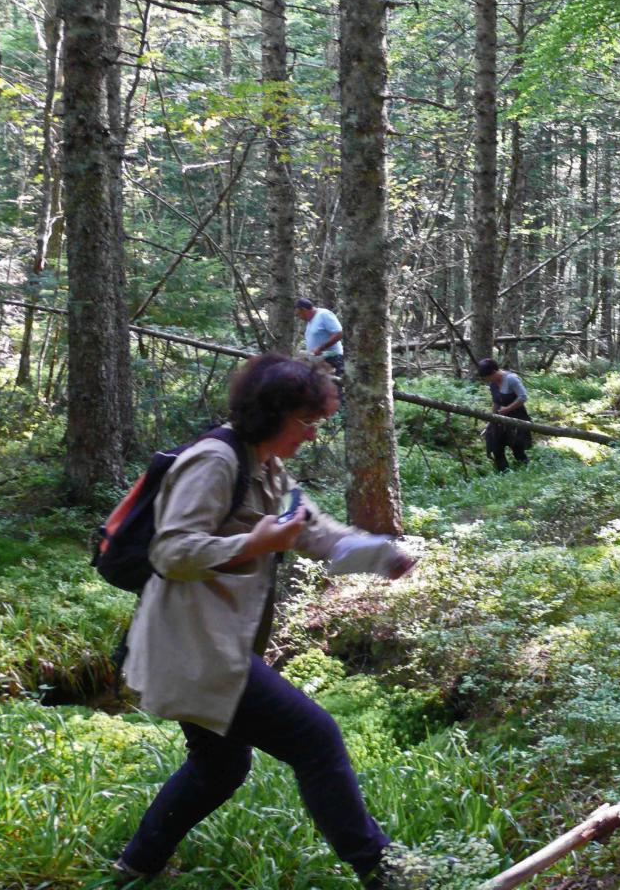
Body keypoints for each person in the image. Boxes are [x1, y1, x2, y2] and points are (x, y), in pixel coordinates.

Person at [115, 355, 419, 890]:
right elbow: (171, 551)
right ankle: (385, 870)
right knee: (316, 738)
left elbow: (309, 529)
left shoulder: (269, 469)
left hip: (217, 646)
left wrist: (381, 554)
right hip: (195, 649)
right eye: (307, 422)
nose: (311, 433)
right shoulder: (214, 462)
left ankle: (135, 865)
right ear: (274, 413)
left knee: (219, 769)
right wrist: (252, 544)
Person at [477, 358, 532, 471]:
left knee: (517, 447)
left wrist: (507, 408)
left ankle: (525, 467)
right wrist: (491, 419)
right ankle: (503, 472)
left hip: (517, 417)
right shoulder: (493, 384)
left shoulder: (511, 379)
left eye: (488, 377)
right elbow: (496, 402)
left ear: (493, 372)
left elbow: (523, 397)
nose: (487, 380)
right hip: (500, 418)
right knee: (496, 445)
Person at [296, 296, 345, 382]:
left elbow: (339, 333)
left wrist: (321, 348)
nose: (299, 317)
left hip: (333, 360)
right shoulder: (310, 322)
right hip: (320, 363)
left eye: (298, 314)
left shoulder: (324, 315)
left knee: (335, 388)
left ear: (304, 310)